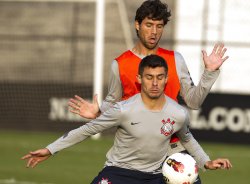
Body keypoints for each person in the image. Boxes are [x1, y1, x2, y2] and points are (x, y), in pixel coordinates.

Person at [69, 0, 229, 183]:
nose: (154, 32)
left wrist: (209, 73)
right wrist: (98, 111)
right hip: (138, 153)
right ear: (137, 25)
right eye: (149, 25)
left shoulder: (175, 60)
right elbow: (114, 104)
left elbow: (193, 101)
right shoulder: (120, 64)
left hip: (174, 151)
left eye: (159, 26)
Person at [21, 55, 232, 184]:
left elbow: (187, 139)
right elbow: (86, 130)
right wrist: (50, 149)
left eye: (160, 77)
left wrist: (206, 162)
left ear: (166, 79)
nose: (155, 83)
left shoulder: (178, 113)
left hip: (156, 176)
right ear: (140, 79)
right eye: (149, 77)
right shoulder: (123, 109)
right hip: (120, 172)